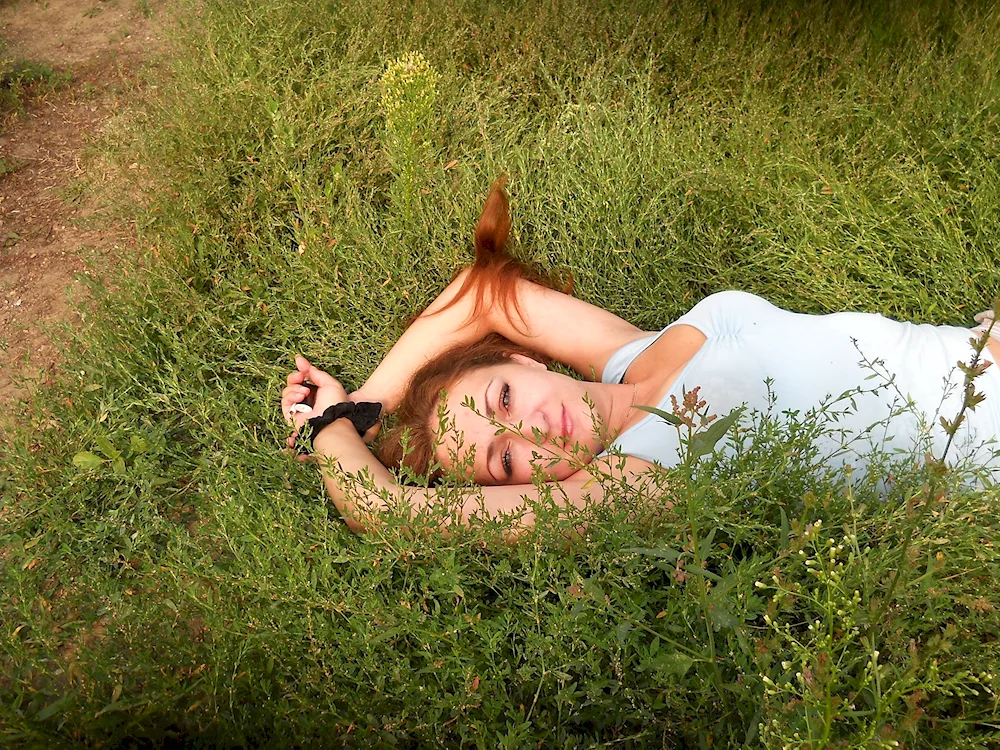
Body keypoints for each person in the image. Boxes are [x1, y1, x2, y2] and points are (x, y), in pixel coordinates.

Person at [282, 180, 1000, 534]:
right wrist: (329, 430)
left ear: (527, 363)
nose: (533, 430)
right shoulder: (644, 479)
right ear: (511, 491)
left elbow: (484, 297)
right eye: (505, 459)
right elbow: (387, 512)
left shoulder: (633, 357)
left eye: (505, 400)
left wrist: (368, 401)